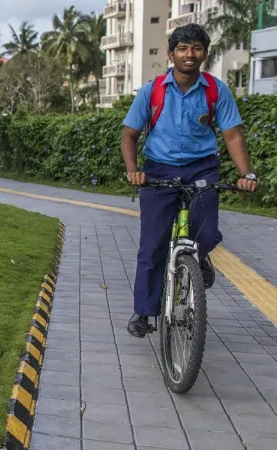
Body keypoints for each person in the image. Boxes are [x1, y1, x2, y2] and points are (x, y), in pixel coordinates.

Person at [119, 23, 258, 338]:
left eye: (196, 48)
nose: (189, 54)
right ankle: (144, 311)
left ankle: (199, 261)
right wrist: (133, 170)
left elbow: (233, 134)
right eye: (182, 49)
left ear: (204, 54)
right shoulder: (152, 91)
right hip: (159, 170)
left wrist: (246, 173)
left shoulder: (215, 90)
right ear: (171, 54)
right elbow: (129, 136)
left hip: (202, 170)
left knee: (205, 234)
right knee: (152, 246)